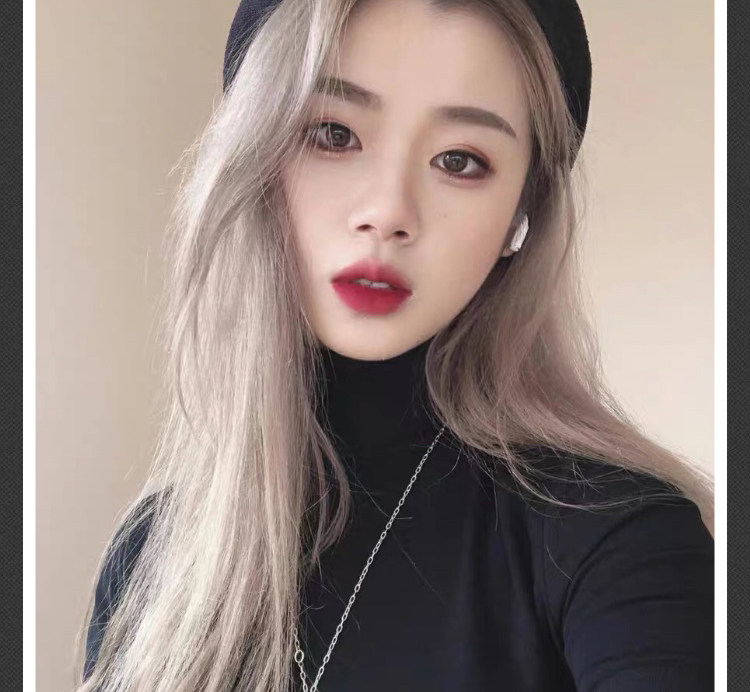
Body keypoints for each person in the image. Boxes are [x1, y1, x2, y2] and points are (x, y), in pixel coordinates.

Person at [74, 0, 714, 690]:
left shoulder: (620, 540)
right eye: (333, 134)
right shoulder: (153, 563)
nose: (387, 212)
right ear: (256, 159)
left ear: (520, 216)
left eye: (459, 161)